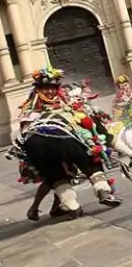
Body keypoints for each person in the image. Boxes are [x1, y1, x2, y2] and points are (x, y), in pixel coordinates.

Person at [14, 67, 124, 220]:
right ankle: (103, 192)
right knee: (88, 157)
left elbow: (25, 133)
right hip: (56, 140)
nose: (50, 92)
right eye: (46, 89)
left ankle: (71, 206)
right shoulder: (44, 109)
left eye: (52, 88)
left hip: (37, 145)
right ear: (38, 90)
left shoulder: (32, 110)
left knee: (55, 174)